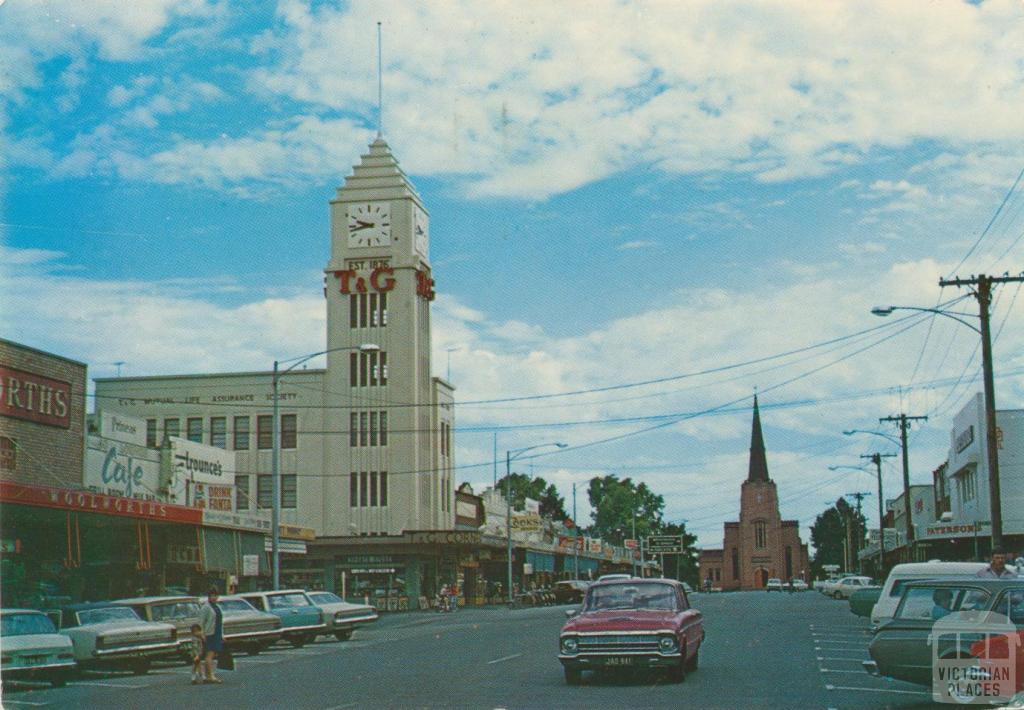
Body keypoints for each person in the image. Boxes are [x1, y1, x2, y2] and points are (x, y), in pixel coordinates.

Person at [198, 586, 224, 684]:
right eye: (212, 595)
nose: (214, 597)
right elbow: (201, 622)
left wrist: (222, 635)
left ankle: (208, 675)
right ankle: (210, 676)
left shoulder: (217, 606)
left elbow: (220, 621)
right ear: (208, 596)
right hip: (209, 633)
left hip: (217, 633)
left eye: (215, 595)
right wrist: (202, 634)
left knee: (212, 655)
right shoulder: (206, 607)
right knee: (209, 655)